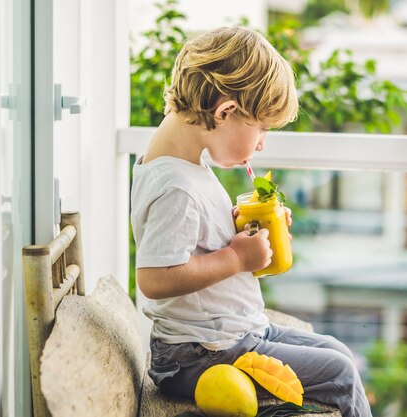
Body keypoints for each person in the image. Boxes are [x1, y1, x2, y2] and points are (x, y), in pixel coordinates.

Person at [130, 26, 371, 417]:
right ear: (225, 112)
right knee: (341, 372)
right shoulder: (177, 186)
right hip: (198, 356)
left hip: (229, 336)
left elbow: (194, 237)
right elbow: (155, 278)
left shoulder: (185, 168)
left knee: (336, 350)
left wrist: (242, 227)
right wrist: (238, 259)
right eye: (262, 129)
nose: (261, 144)